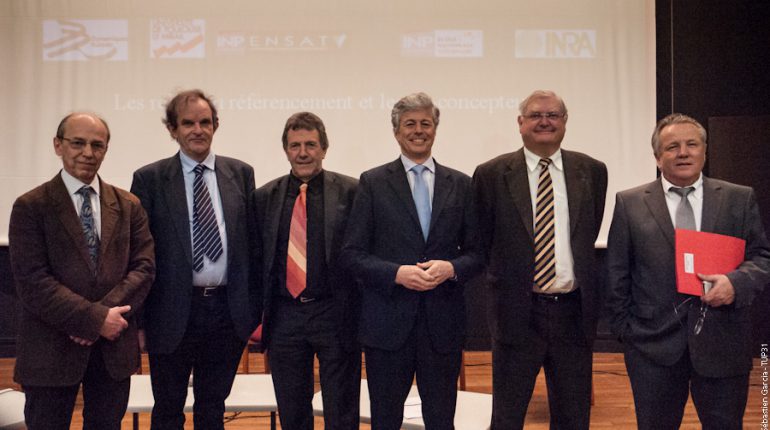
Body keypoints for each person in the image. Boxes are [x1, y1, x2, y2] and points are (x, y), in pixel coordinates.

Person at [606, 113, 770, 429]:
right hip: (653, 350)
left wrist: (735, 284)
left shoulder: (738, 198)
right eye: (672, 147)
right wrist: (627, 333)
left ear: (704, 152)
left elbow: (762, 257)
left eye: (691, 144)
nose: (683, 152)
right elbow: (616, 274)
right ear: (657, 157)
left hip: (723, 343)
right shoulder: (630, 203)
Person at [341, 92, 483, 429]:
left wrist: (451, 268)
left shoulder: (461, 184)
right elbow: (351, 255)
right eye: (410, 124)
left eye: (426, 123)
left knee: (440, 421)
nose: (418, 130)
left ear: (435, 129)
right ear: (396, 132)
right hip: (387, 327)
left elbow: (479, 254)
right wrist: (395, 274)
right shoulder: (372, 183)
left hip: (442, 327)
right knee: (385, 421)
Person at [8, 112, 155, 429]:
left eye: (97, 145)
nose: (88, 152)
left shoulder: (129, 205)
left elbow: (143, 268)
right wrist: (95, 320)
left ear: (106, 149)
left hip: (112, 351)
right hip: (50, 350)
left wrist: (101, 318)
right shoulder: (31, 206)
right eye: (78, 143)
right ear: (58, 145)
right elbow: (33, 282)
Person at [472, 90, 607, 429]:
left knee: (573, 416)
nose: (544, 121)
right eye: (535, 115)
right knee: (507, 415)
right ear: (520, 123)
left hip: (573, 313)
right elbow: (482, 239)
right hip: (517, 312)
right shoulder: (491, 174)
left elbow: (587, 232)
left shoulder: (592, 171)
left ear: (564, 122)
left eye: (553, 115)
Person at [130, 89, 261, 429]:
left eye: (205, 122)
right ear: (172, 130)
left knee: (213, 407)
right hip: (171, 313)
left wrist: (253, 311)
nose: (197, 130)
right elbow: (139, 253)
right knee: (168, 408)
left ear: (216, 125)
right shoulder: (150, 179)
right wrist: (139, 322)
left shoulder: (241, 174)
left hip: (226, 314)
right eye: (187, 123)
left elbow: (252, 246)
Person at [254, 112, 360, 430]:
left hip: (335, 314)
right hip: (285, 317)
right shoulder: (264, 198)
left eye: (311, 144)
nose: (303, 152)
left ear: (324, 148)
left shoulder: (351, 193)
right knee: (292, 412)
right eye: (295, 145)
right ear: (286, 150)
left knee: (342, 412)